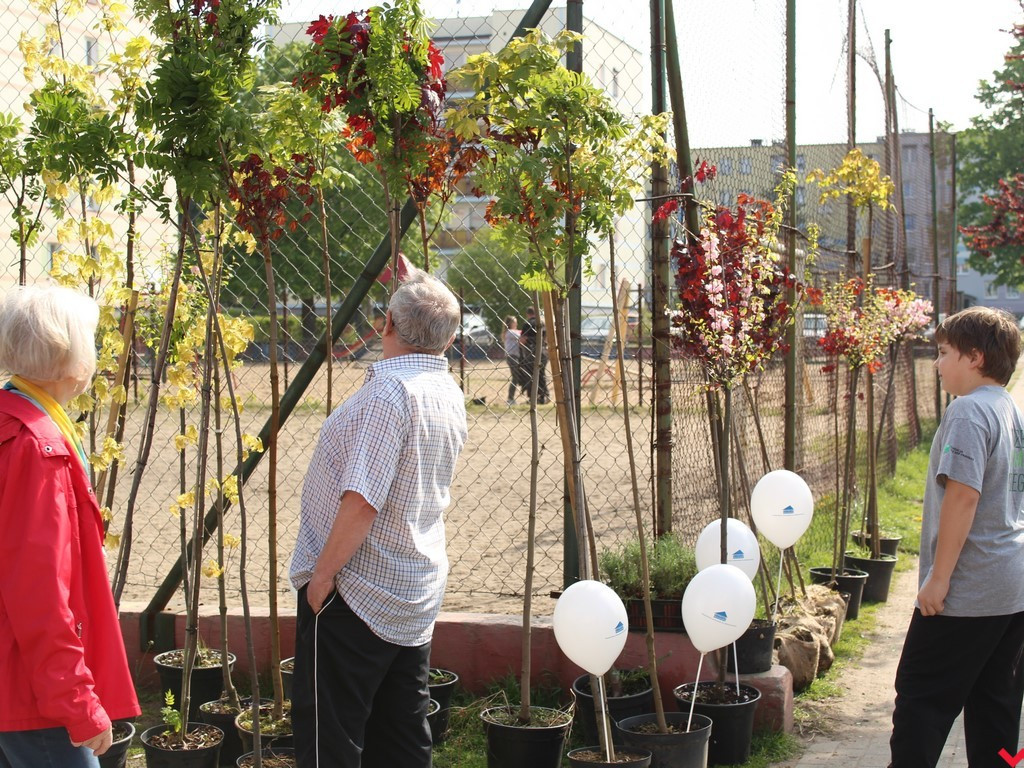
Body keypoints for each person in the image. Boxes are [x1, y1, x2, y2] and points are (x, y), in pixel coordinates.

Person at [290, 270, 468, 768]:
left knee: (332, 736)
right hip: (412, 585)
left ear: (385, 322)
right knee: (401, 732)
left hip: (357, 592)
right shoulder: (445, 391)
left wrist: (321, 578)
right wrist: (423, 295)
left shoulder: (390, 396)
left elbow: (362, 501)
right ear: (450, 338)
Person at [0, 284, 140, 767]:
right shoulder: (39, 448)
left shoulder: (12, 420)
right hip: (30, 696)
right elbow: (39, 594)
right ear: (73, 360)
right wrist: (77, 703)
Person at [889, 306, 1024, 768]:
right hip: (1010, 589)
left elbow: (964, 498)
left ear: (975, 356)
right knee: (997, 709)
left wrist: (939, 578)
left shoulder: (967, 412)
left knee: (920, 701)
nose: (937, 362)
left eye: (943, 353)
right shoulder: (1009, 409)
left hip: (968, 589)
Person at [519, 305, 549, 404]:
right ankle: (544, 395)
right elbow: (547, 339)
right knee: (541, 374)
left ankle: (534, 397)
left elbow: (522, 340)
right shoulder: (543, 323)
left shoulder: (527, 324)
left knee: (531, 375)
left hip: (531, 353)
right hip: (544, 352)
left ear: (527, 314)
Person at [502, 315, 526, 405]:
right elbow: (521, 335)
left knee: (517, 377)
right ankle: (510, 398)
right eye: (514, 322)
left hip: (514, 356)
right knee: (515, 378)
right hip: (512, 357)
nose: (516, 323)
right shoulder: (510, 332)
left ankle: (511, 397)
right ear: (510, 323)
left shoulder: (511, 332)